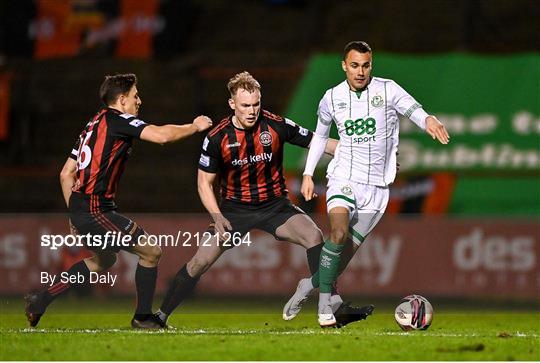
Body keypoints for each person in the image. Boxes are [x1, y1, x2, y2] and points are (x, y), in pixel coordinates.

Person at [153, 72, 372, 328]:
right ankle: (161, 316)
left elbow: (321, 142)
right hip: (235, 210)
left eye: (256, 104)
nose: (252, 110)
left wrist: (368, 156)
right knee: (200, 261)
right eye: (245, 105)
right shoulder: (216, 137)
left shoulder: (275, 125)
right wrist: (216, 216)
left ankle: (334, 305)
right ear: (232, 104)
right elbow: (204, 183)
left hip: (275, 206)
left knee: (313, 236)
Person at [24, 73, 213, 329]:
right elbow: (161, 136)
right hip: (95, 207)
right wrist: (194, 126)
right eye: (135, 96)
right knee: (151, 251)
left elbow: (66, 173)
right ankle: (143, 317)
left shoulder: (91, 125)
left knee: (105, 260)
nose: (140, 101)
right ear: (122, 100)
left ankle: (40, 300)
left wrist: (74, 215)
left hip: (82, 206)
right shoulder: (117, 120)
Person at [284, 41, 450, 327]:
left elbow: (414, 110)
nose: (360, 71)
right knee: (337, 233)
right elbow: (321, 137)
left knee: (343, 258)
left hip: (377, 190)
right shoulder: (331, 97)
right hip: (344, 177)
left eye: (366, 65)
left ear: (371, 65)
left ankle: (308, 285)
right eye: (354, 65)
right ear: (344, 66)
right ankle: (325, 308)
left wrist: (430, 120)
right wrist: (309, 173)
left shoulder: (387, 89)